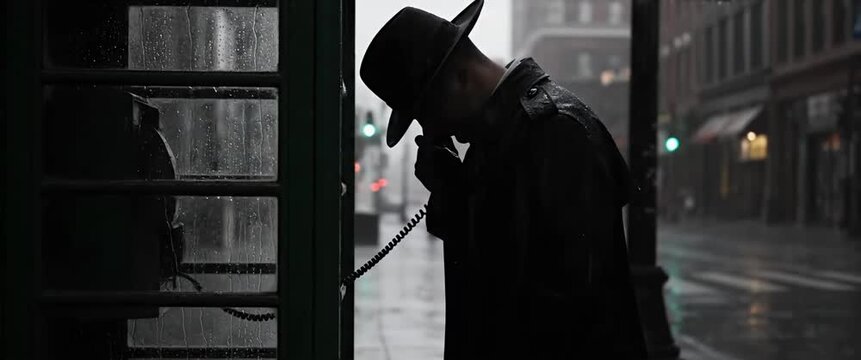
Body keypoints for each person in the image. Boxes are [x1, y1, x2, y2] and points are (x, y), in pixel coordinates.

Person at [360, 1, 648, 358]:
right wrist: (452, 190)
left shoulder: (554, 132)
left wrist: (458, 193)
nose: (433, 130)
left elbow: (559, 308)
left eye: (427, 113)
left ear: (459, 78)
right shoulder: (500, 138)